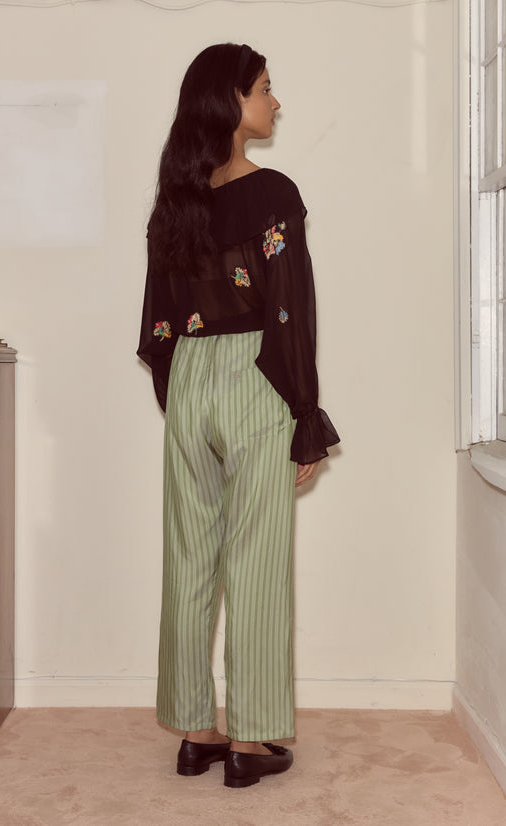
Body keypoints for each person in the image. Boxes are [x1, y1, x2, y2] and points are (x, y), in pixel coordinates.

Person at [137, 43, 339, 788]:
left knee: (190, 558)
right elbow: (289, 313)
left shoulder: (176, 199)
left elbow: (158, 320)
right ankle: (250, 743)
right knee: (255, 562)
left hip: (191, 376)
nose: (275, 102)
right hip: (257, 375)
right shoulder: (274, 193)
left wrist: (184, 394)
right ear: (229, 101)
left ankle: (196, 733)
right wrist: (304, 414)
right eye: (264, 89)